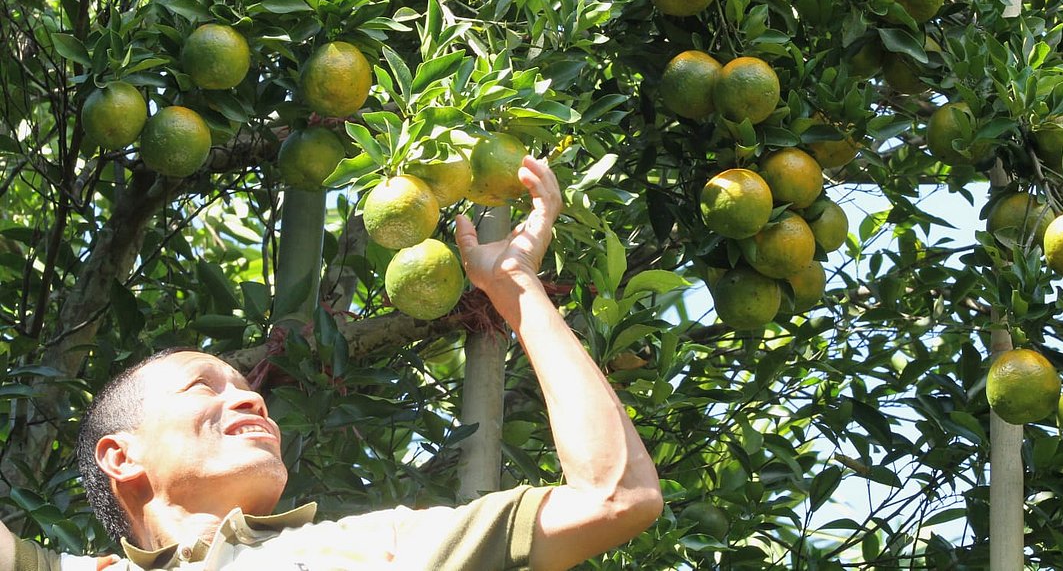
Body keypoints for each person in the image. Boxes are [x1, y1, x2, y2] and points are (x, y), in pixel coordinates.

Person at [0, 156, 663, 570]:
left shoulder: (380, 549)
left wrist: (515, 290)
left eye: (246, 387)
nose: (252, 398)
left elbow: (615, 497)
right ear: (122, 458)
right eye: (203, 384)